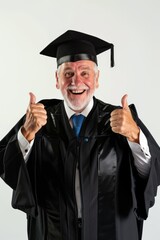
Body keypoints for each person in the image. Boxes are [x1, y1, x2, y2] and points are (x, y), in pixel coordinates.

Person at [0, 30, 160, 240]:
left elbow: (151, 172)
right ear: (57, 80)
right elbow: (6, 167)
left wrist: (135, 137)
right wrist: (26, 134)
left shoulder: (122, 120)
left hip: (111, 232)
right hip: (53, 232)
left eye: (85, 73)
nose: (76, 81)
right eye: (68, 74)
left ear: (97, 79)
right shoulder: (38, 119)